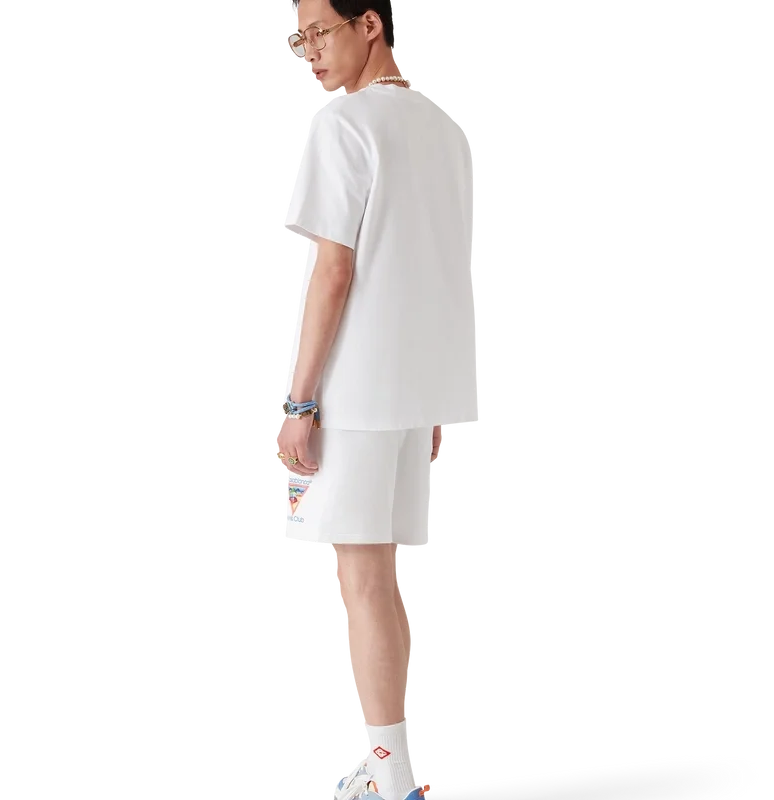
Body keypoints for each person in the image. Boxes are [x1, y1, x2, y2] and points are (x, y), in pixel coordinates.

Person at [279, 2, 476, 798]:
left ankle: (391, 774)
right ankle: (395, 762)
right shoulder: (446, 125)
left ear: (370, 24)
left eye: (320, 32)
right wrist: (434, 394)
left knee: (361, 578)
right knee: (384, 577)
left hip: (356, 389)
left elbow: (335, 271)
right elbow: (444, 266)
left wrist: (299, 404)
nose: (309, 52)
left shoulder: (346, 123)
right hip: (413, 387)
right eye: (298, 39)